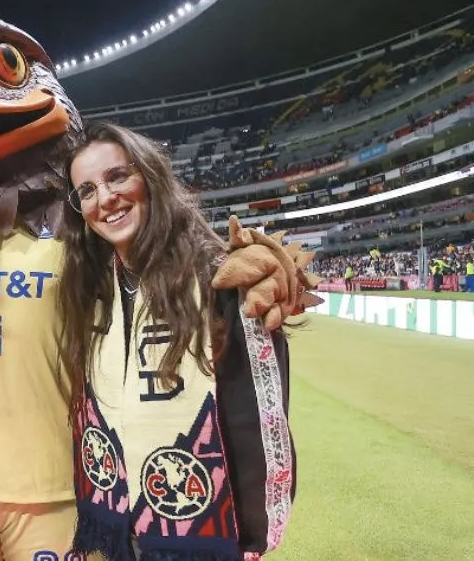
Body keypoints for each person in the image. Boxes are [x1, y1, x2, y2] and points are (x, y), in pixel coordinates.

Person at [58, 122, 307, 561]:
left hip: (199, 537)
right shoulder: (92, 288)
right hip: (116, 527)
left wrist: (251, 540)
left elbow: (256, 421)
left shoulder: (221, 277)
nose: (106, 199)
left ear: (149, 176)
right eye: (88, 191)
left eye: (118, 176)